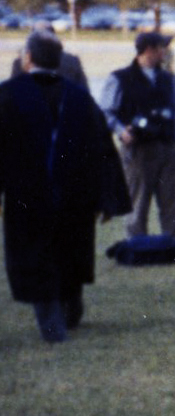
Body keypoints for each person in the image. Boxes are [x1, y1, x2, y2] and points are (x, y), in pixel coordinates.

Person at [0, 32, 131, 342]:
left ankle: (52, 324)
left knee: (37, 258)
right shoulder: (79, 96)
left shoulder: (7, 95)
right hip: (73, 195)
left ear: (28, 58)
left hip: (27, 197)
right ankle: (70, 311)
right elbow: (102, 149)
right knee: (69, 253)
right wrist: (106, 198)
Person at [101, 31, 175, 239]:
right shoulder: (119, 78)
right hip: (138, 150)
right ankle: (137, 245)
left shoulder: (167, 78)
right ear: (149, 50)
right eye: (162, 48)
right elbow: (105, 112)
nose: (165, 52)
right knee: (137, 202)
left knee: (171, 201)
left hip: (168, 148)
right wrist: (122, 131)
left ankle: (170, 244)